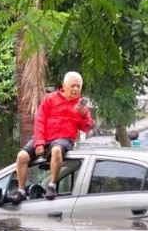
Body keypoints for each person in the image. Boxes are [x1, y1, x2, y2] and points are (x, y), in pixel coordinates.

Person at [7, 71, 94, 204]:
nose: (76, 89)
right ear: (64, 85)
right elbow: (40, 120)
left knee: (56, 150)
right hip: (45, 137)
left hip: (64, 139)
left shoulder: (81, 106)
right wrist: (39, 142)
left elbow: (87, 128)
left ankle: (52, 185)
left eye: (78, 86)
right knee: (22, 157)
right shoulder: (50, 99)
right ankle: (21, 191)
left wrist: (84, 115)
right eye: (73, 85)